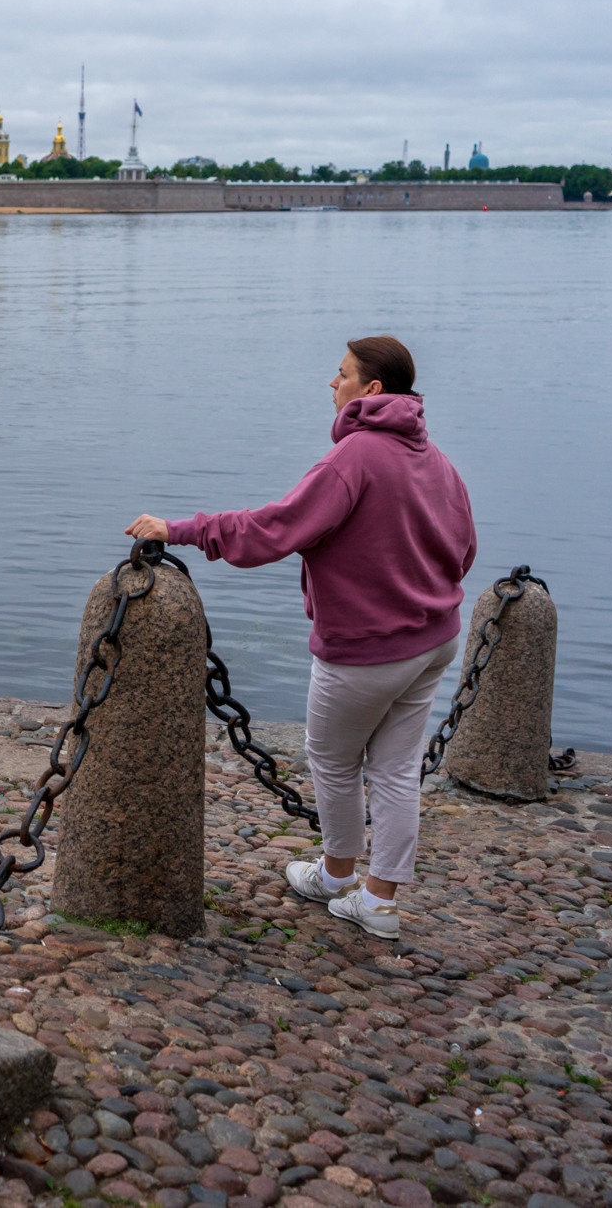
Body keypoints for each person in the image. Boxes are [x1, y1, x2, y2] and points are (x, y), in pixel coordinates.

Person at [125, 335, 475, 940]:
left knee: (335, 762)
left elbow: (275, 529)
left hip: (369, 648)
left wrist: (179, 529)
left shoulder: (356, 457)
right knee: (394, 769)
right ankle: (380, 902)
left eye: (340, 375)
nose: (330, 384)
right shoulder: (433, 457)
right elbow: (464, 546)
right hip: (435, 639)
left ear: (370, 390)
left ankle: (338, 877)